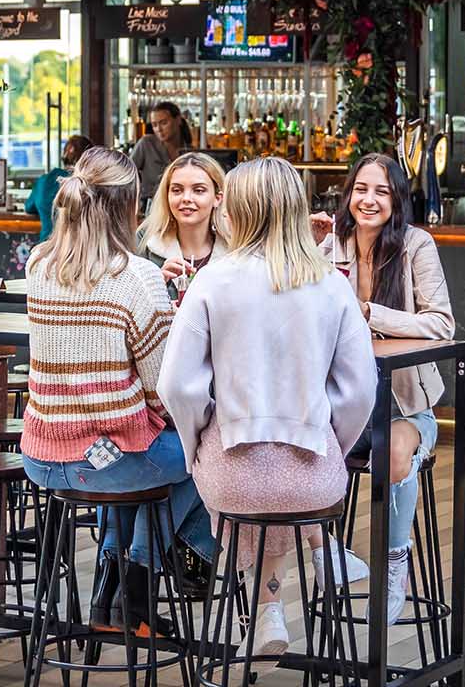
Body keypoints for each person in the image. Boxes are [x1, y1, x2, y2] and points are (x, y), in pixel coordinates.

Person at [159, 156, 377, 656]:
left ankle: (266, 613)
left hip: (232, 476)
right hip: (314, 478)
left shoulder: (213, 280)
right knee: (280, 482)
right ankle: (318, 563)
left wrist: (197, 442)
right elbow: (361, 386)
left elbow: (177, 385)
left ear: (240, 210)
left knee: (247, 478)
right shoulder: (331, 283)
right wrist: (329, 444)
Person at [19, 146, 217, 638]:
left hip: (41, 456)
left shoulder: (39, 265)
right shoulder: (138, 277)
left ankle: (109, 598)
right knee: (206, 453)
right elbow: (164, 389)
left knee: (124, 451)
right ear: (130, 207)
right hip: (98, 459)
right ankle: (139, 583)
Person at [310, 152, 454, 622]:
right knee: (286, 446)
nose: (368, 201)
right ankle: (323, 549)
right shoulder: (331, 246)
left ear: (397, 199)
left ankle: (394, 562)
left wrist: (371, 314)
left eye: (382, 192)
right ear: (348, 194)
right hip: (338, 406)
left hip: (404, 406)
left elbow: (441, 324)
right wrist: (304, 250)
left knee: (392, 451)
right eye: (361, 189)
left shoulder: (415, 245)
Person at [137, 151, 227, 301]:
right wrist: (157, 285)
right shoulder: (143, 242)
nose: (186, 198)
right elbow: (128, 308)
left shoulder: (235, 249)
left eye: (198, 190)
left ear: (217, 199)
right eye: (177, 190)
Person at [24, 135, 92, 243]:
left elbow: (29, 207)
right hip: (79, 249)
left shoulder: (44, 181)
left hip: (47, 247)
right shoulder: (88, 184)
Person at [129, 102, 189, 202]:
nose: (159, 129)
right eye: (154, 125)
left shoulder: (188, 149)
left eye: (164, 123)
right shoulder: (146, 143)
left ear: (178, 120)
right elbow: (126, 172)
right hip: (149, 205)